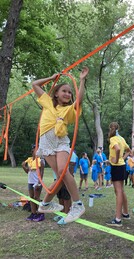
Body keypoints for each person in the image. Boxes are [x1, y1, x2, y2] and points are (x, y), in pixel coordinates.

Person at [32, 66, 89, 224]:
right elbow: (35, 84)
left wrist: (82, 80)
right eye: (64, 90)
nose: (67, 94)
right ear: (56, 93)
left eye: (70, 92)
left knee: (63, 172)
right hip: (46, 142)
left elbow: (80, 100)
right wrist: (51, 78)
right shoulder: (48, 103)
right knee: (60, 176)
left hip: (61, 141)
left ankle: (77, 205)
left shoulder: (69, 110)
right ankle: (46, 203)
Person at [106, 122, 131, 227]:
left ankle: (117, 219)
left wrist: (116, 159)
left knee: (118, 191)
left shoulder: (113, 139)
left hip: (117, 167)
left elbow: (118, 149)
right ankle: (125, 213)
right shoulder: (121, 139)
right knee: (120, 190)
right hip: (122, 166)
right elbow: (129, 150)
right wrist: (122, 159)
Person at [22, 144, 45, 222]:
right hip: (30, 181)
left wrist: (39, 182)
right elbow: (27, 172)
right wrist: (23, 166)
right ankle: (33, 213)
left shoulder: (41, 160)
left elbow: (42, 173)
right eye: (35, 149)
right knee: (31, 198)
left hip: (37, 182)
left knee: (36, 198)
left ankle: (41, 213)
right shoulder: (30, 160)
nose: (36, 150)